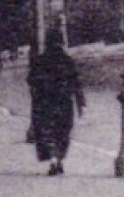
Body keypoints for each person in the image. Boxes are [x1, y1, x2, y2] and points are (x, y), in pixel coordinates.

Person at [27, 29, 85, 176]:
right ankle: (59, 160)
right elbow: (76, 82)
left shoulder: (40, 60)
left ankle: (52, 159)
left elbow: (31, 81)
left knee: (46, 131)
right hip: (64, 102)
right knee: (62, 131)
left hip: (44, 102)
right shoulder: (67, 60)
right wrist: (80, 103)